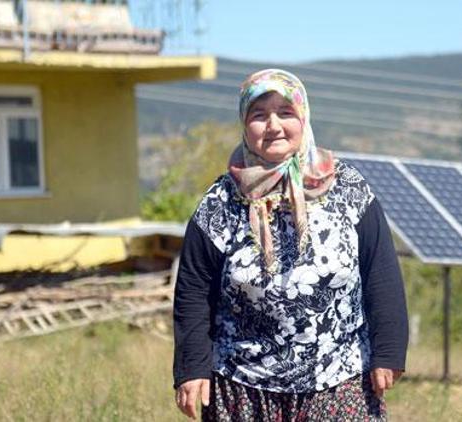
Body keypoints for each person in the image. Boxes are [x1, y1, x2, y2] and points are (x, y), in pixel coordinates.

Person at [173, 69, 408, 421]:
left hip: (339, 379)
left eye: (285, 112)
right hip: (242, 388)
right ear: (244, 123)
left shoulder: (348, 188)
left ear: (304, 117)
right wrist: (192, 368)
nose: (273, 126)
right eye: (259, 115)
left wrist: (388, 350)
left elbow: (381, 272)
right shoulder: (220, 201)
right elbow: (193, 289)